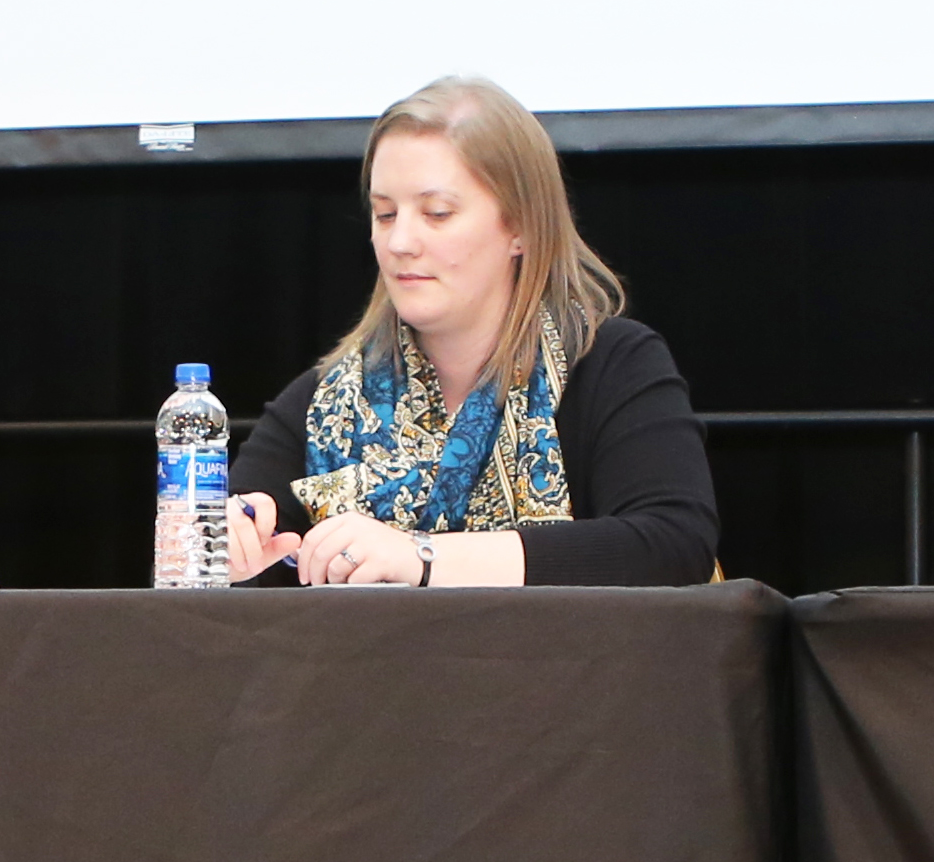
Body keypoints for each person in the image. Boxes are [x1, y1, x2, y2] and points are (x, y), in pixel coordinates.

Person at [219, 76, 718, 586]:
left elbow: (673, 546)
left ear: (521, 226)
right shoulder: (325, 399)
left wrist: (423, 558)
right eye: (385, 213)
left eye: (437, 214)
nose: (401, 242)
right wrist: (230, 545)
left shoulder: (612, 363)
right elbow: (198, 572)